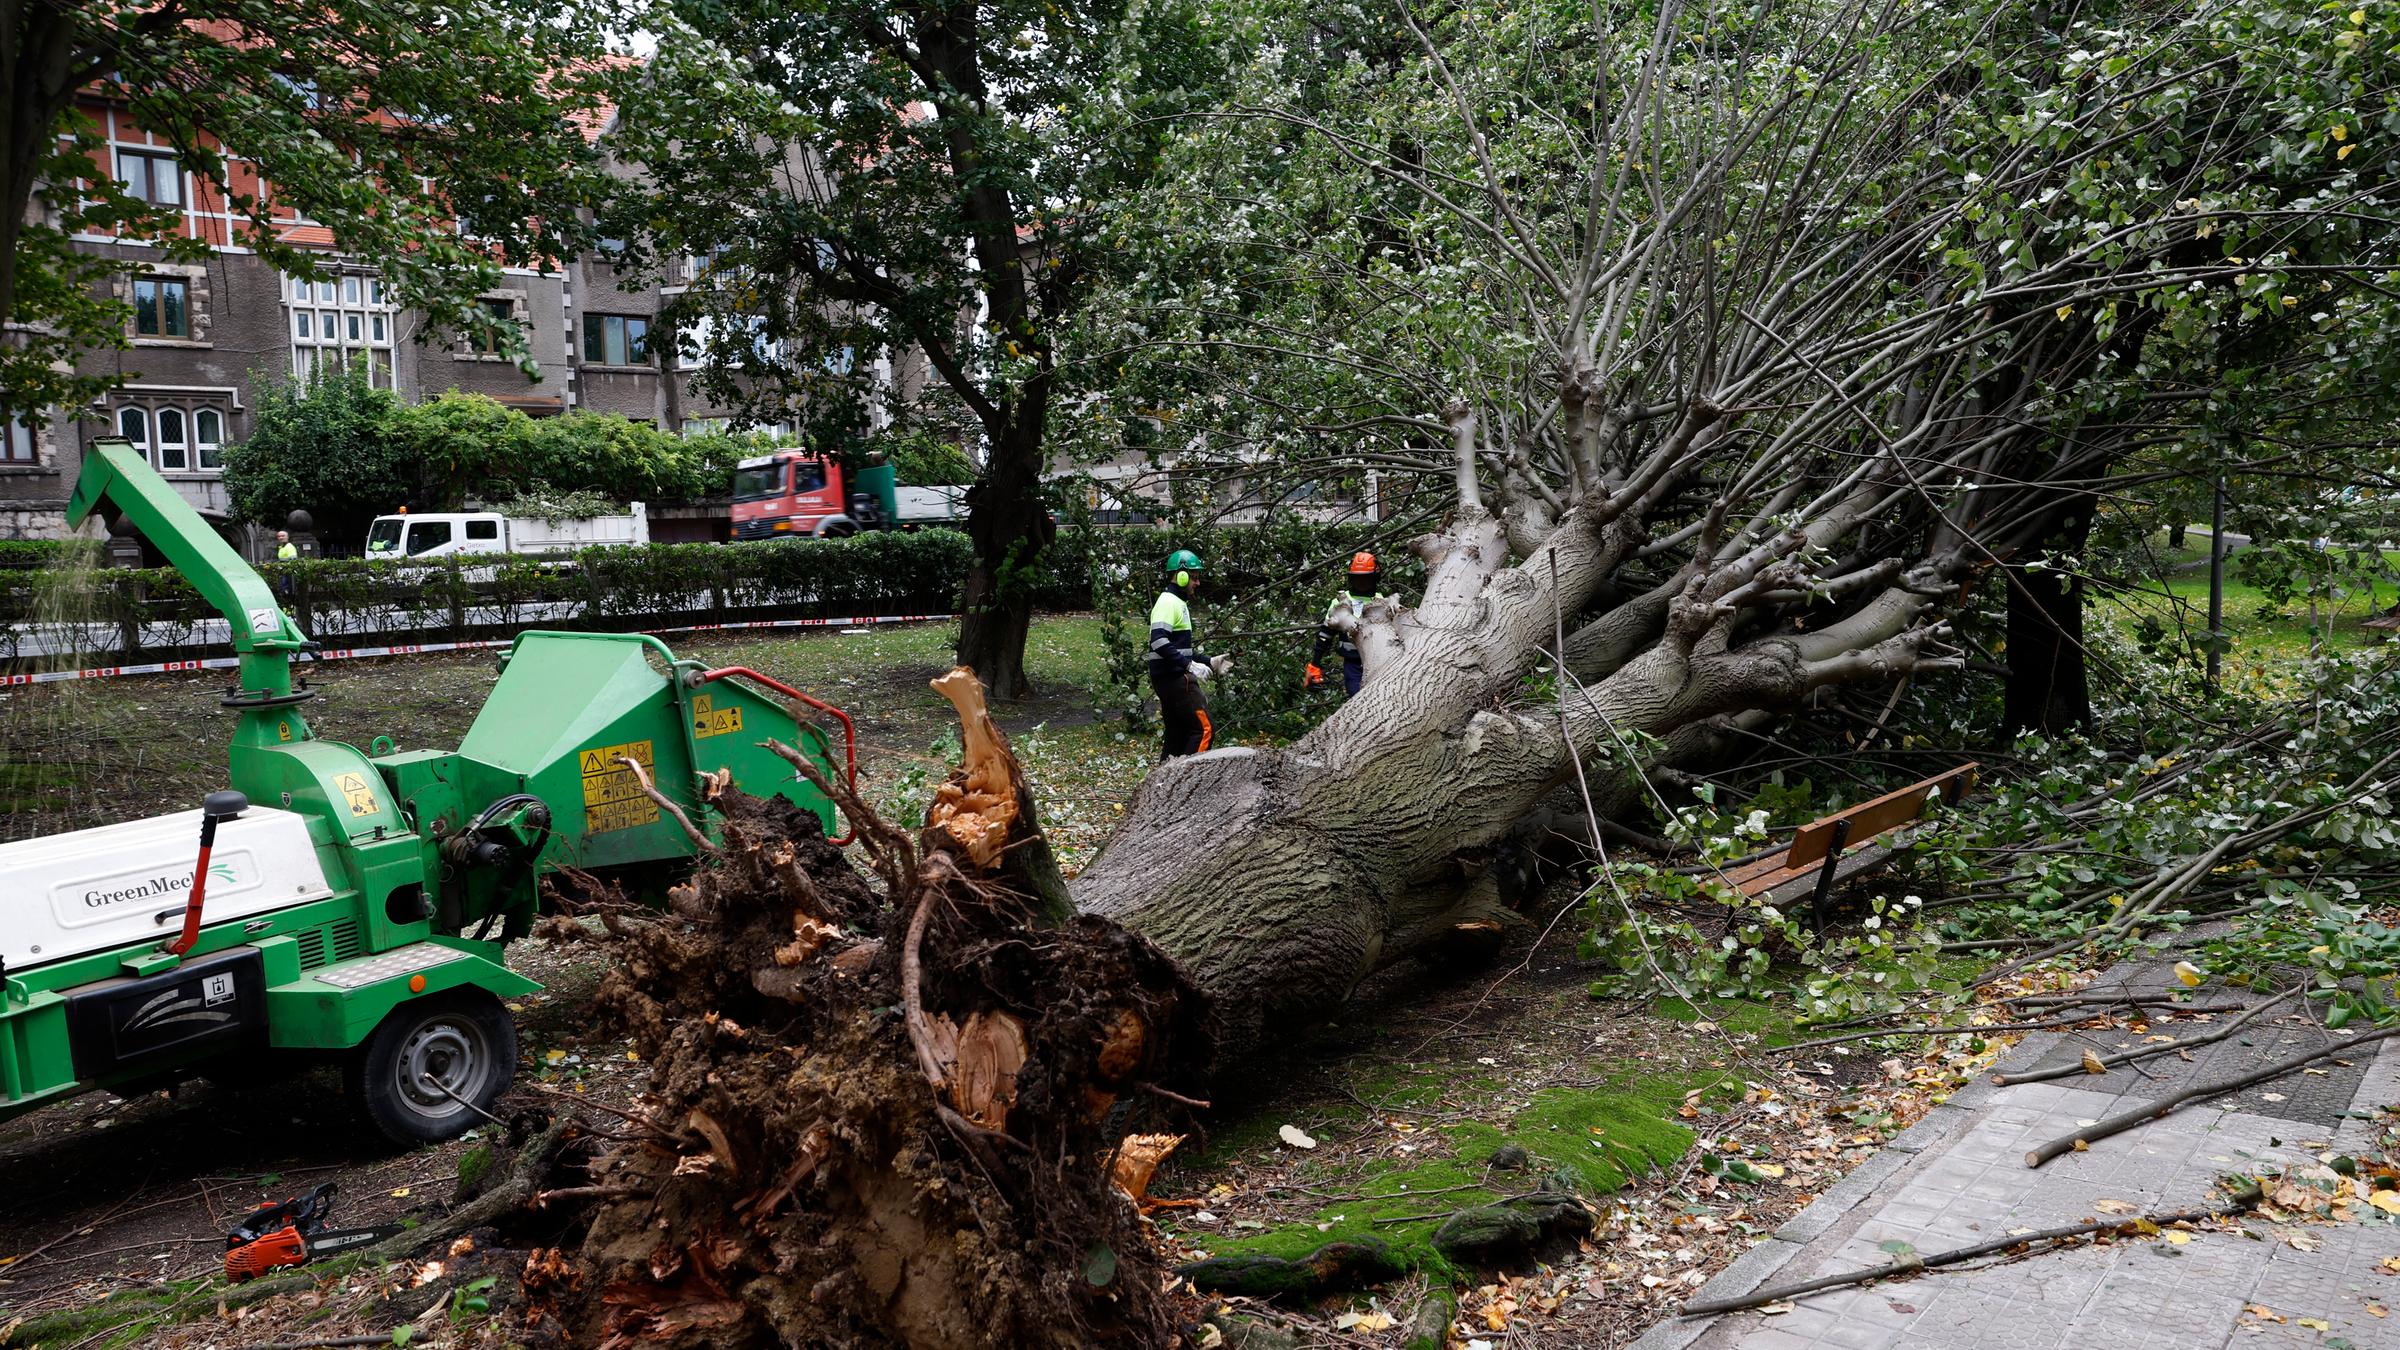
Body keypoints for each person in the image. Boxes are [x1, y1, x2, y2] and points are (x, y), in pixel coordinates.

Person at [1148, 549, 1231, 758]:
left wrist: (1209, 661)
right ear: (1181, 576)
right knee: (1204, 729)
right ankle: (1188, 778)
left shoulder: (1177, 603)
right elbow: (1158, 641)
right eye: (1194, 578)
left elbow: (1179, 649)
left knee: (1178, 732)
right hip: (1175, 678)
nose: (1198, 583)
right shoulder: (1168, 602)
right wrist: (1190, 666)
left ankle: (1164, 782)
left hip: (1169, 677)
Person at [1306, 552, 1395, 697]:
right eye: (1357, 578)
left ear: (1374, 578)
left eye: (1365, 578)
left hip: (1379, 658)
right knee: (1356, 695)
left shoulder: (1381, 601)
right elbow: (1324, 635)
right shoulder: (1340, 602)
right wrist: (1315, 664)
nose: (1361, 582)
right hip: (1352, 661)